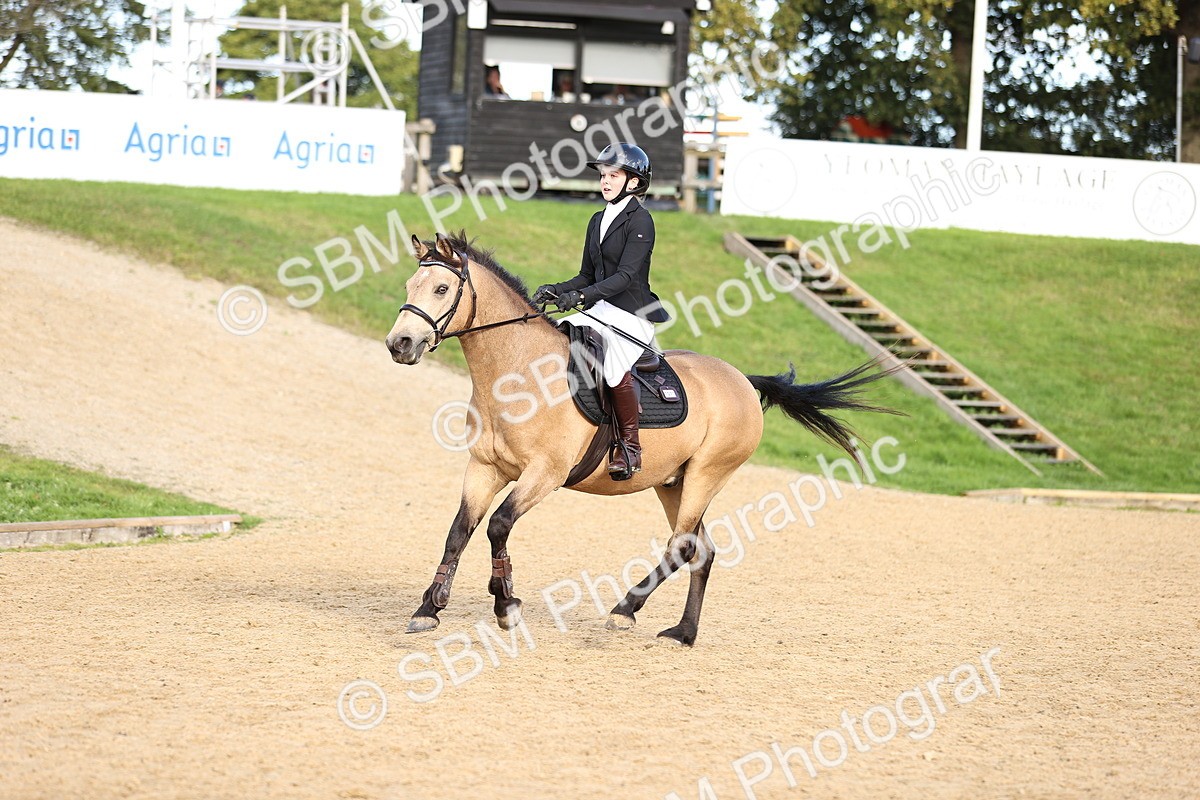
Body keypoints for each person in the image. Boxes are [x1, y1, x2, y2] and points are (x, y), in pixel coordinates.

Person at [533, 143, 670, 480]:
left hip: (631, 314)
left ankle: (630, 447)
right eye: (603, 175)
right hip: (599, 308)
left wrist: (581, 296)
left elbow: (625, 277)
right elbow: (586, 274)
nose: (605, 181)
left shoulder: (641, 220)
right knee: (553, 337)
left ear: (634, 182)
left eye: (613, 175)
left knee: (613, 368)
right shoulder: (597, 220)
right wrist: (557, 289)